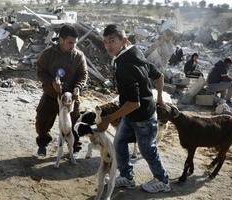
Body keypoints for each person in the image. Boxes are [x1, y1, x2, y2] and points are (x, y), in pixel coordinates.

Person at [97, 24, 170, 193]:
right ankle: (127, 177)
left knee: (147, 150)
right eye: (106, 42)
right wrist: (158, 98)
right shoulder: (135, 53)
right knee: (119, 142)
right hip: (131, 115)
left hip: (142, 116)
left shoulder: (125, 66)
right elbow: (159, 76)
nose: (108, 46)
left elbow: (134, 103)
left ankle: (163, 181)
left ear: (123, 40)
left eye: (112, 41)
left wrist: (107, 119)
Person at [36, 25, 88, 157]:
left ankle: (74, 148)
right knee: (42, 120)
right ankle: (42, 145)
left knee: (74, 124)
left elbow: (83, 75)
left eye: (75, 43)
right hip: (51, 95)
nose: (73, 46)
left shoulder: (78, 56)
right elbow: (40, 71)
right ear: (61, 39)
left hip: (70, 98)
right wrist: (52, 82)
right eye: (70, 42)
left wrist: (77, 87)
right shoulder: (48, 54)